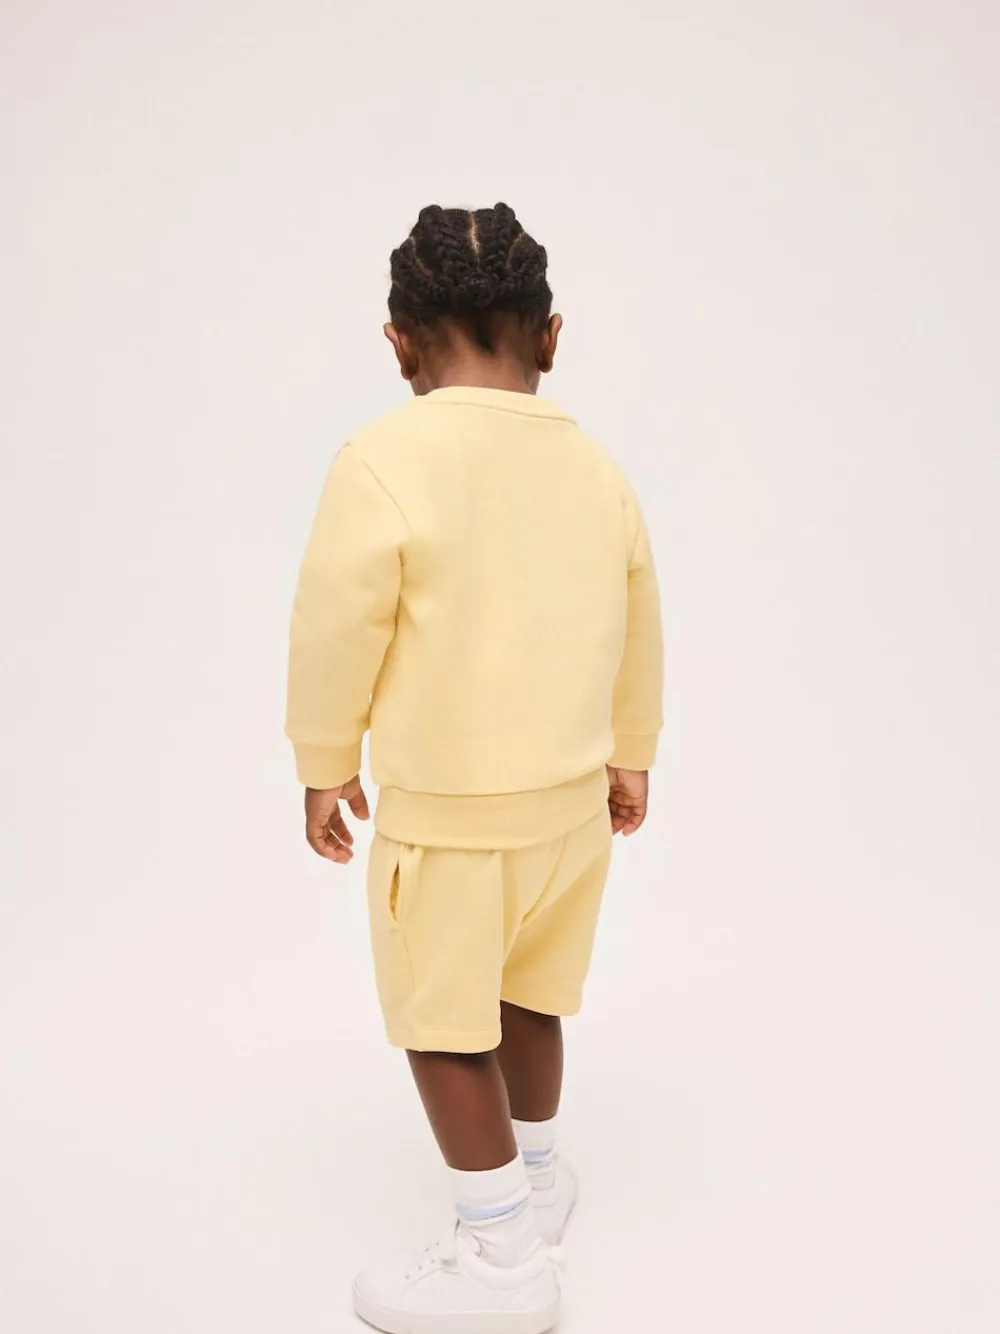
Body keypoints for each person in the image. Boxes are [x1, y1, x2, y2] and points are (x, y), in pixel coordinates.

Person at [286, 202, 663, 1334]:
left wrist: (324, 761)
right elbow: (638, 625)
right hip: (573, 816)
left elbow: (335, 626)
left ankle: (500, 1257)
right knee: (532, 994)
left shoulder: (381, 461)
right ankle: (536, 1182)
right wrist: (631, 757)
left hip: (449, 824)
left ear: (398, 343)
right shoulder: (598, 468)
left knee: (444, 1023)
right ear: (551, 336)